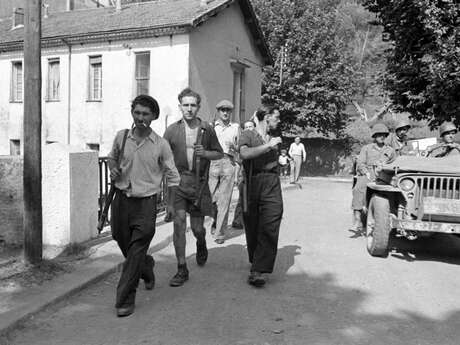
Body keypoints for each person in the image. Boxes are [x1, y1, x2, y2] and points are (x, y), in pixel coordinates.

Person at [108, 95, 180, 317]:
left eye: (146, 114)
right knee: (122, 241)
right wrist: (112, 169)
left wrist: (169, 203)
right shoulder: (121, 138)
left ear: (154, 117)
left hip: (146, 204)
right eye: (137, 113)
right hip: (121, 200)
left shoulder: (161, 145)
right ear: (132, 113)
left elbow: (173, 176)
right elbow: (112, 158)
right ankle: (146, 267)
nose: (141, 118)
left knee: (137, 248)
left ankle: (125, 299)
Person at [163, 88, 223, 287]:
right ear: (180, 106)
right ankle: (181, 268)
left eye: (193, 105)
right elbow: (162, 159)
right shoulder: (171, 130)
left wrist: (205, 153)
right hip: (178, 183)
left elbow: (219, 154)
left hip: (199, 184)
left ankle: (201, 242)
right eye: (185, 105)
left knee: (197, 228)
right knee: (179, 225)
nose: (189, 109)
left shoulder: (207, 129)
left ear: (198, 107)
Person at [239, 105, 283, 287]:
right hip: (252, 182)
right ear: (266, 117)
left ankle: (259, 270)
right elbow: (244, 153)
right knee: (252, 224)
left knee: (272, 221)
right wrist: (268, 146)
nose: (278, 121)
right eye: (276, 117)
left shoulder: (275, 138)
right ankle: (256, 259)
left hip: (272, 182)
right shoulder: (248, 134)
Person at [351, 123, 395, 232]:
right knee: (358, 189)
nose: (381, 137)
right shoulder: (367, 148)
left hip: (385, 174)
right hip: (369, 173)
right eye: (379, 135)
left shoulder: (390, 150)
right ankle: (357, 219)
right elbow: (360, 163)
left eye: (384, 135)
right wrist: (366, 172)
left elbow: (395, 164)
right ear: (374, 136)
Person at [208, 100, 241, 244]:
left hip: (228, 162)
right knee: (211, 198)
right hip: (213, 163)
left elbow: (241, 148)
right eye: (222, 110)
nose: (225, 113)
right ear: (218, 111)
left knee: (225, 199)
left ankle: (220, 233)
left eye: (228, 110)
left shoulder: (235, 127)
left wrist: (236, 147)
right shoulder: (211, 127)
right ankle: (216, 220)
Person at [231, 120, 256, 229]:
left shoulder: (258, 140)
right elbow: (238, 161)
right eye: (246, 127)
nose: (248, 129)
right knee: (242, 196)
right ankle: (237, 220)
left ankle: (251, 220)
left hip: (255, 173)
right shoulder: (242, 142)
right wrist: (237, 177)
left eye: (250, 126)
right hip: (244, 172)